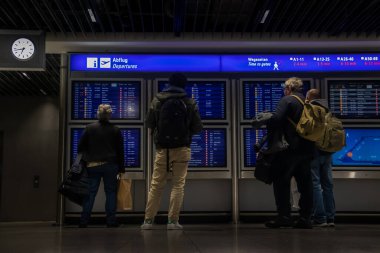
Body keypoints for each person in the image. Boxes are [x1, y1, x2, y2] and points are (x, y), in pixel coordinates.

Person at [141, 73, 203, 230]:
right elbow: (197, 127)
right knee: (178, 185)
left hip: (162, 148)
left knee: (156, 184)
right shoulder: (189, 101)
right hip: (182, 148)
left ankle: (148, 221)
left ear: (168, 83)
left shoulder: (157, 100)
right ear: (184, 84)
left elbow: (149, 123)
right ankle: (172, 222)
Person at [264, 77, 315, 229]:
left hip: (289, 150)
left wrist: (266, 120)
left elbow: (276, 120)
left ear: (288, 88)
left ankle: (284, 216)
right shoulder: (307, 102)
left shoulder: (287, 100)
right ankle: (305, 218)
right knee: (305, 185)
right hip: (307, 149)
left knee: (281, 182)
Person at [78, 104, 124, 228]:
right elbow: (120, 151)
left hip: (92, 165)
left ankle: (84, 221)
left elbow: (80, 148)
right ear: (109, 114)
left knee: (91, 193)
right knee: (110, 193)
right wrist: (121, 168)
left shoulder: (89, 128)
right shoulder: (115, 129)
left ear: (98, 114)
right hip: (110, 165)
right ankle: (111, 221)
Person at [306, 89, 336, 227]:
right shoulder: (328, 110)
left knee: (316, 184)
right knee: (328, 185)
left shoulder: (311, 109)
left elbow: (304, 130)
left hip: (315, 151)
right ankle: (331, 218)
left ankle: (320, 218)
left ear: (309, 98)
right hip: (328, 152)